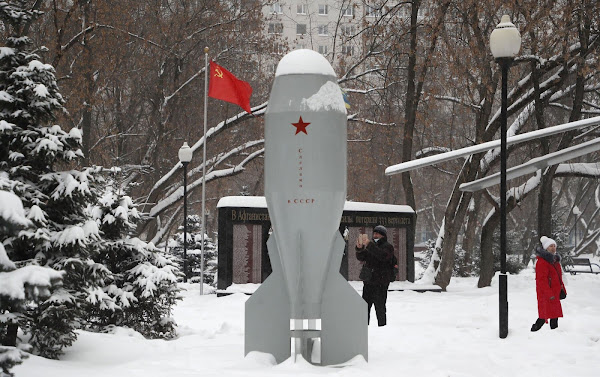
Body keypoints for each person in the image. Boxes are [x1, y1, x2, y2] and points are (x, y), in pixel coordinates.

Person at [355, 225, 395, 326]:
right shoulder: (371, 246)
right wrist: (359, 249)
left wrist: (369, 245)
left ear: (383, 235)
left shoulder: (388, 247)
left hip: (381, 283)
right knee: (364, 307)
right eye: (374, 233)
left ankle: (382, 327)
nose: (375, 235)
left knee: (380, 307)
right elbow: (362, 257)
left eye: (377, 234)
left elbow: (382, 256)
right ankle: (363, 326)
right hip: (369, 281)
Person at [531, 236, 566, 331]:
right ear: (546, 248)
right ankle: (533, 332)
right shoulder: (542, 262)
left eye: (554, 246)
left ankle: (554, 333)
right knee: (544, 315)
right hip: (546, 293)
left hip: (555, 292)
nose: (553, 247)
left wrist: (563, 290)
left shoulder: (555, 261)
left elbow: (559, 277)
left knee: (554, 314)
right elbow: (541, 280)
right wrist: (549, 293)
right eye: (551, 246)